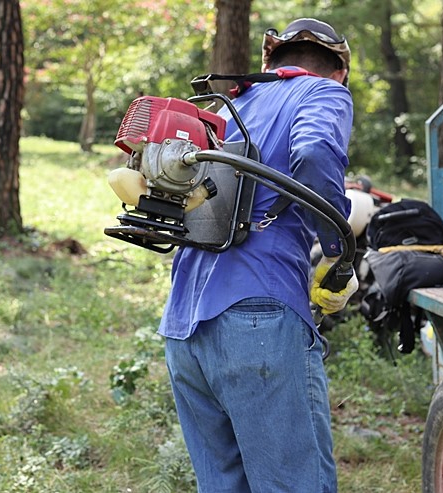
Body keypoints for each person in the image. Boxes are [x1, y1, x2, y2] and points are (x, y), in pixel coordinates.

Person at [159, 18, 358, 492]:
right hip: (259, 320)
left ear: (269, 62)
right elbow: (312, 153)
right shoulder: (323, 93)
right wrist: (336, 253)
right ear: (340, 72)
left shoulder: (231, 104)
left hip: (184, 326)